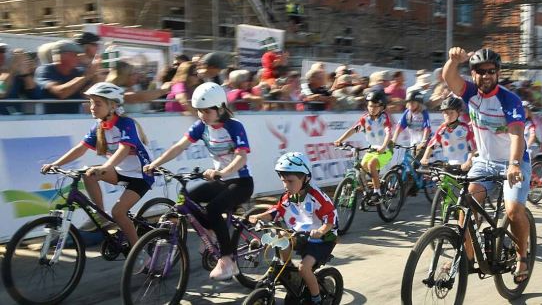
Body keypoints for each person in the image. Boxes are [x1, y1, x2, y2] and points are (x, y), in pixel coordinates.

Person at [144, 82, 254, 280]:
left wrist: (223, 172)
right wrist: (155, 164)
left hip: (241, 181)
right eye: (198, 111)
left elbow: (241, 157)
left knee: (213, 208)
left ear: (220, 108)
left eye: (205, 111)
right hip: (220, 180)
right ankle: (211, 232)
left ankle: (228, 261)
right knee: (186, 197)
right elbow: (178, 147)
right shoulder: (201, 127)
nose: (201, 116)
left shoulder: (234, 126)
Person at [443, 47, 531, 283]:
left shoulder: (508, 99)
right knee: (467, 203)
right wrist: (454, 61)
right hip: (485, 161)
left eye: (491, 71)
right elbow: (449, 79)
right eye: (480, 71)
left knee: (513, 211)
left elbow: (516, 134)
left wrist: (513, 165)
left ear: (498, 72)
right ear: (473, 74)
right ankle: (467, 255)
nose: (486, 75)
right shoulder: (470, 93)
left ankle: (523, 255)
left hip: (513, 161)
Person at [40, 82, 154, 246]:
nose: (92, 107)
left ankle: (138, 250)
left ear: (113, 105)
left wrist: (106, 167)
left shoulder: (126, 123)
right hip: (121, 171)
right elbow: (80, 148)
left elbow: (124, 149)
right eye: (91, 102)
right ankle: (100, 214)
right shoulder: (99, 127)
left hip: (141, 175)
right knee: (88, 173)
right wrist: (55, 164)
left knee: (118, 213)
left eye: (97, 103)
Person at [248, 152, 337, 305]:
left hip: (322, 240)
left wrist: (321, 231)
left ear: (305, 178)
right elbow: (277, 211)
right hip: (301, 234)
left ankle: (316, 299)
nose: (286, 185)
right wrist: (260, 216)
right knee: (281, 236)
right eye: (283, 181)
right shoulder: (288, 196)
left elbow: (331, 218)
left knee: (304, 268)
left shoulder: (317, 197)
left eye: (290, 181)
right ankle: (288, 269)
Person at [334, 90, 393, 203]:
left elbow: (388, 134)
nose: (372, 108)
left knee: (371, 165)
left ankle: (377, 192)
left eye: (376, 106)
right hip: (372, 149)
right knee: (361, 169)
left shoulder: (384, 118)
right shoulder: (365, 119)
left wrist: (384, 146)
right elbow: (353, 130)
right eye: (370, 106)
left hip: (386, 149)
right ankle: (367, 190)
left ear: (382, 107)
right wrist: (340, 140)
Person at [35, 40, 103, 114]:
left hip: (74, 118)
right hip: (49, 119)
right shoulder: (45, 70)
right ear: (60, 56)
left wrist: (96, 76)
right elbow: (62, 93)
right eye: (74, 55)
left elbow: (88, 94)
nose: (78, 58)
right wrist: (87, 75)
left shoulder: (79, 71)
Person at [420, 95, 475, 171]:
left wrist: (468, 161)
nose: (448, 115)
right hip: (448, 165)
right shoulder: (442, 130)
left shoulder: (465, 129)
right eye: (446, 113)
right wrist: (425, 157)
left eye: (451, 112)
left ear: (458, 113)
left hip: (464, 165)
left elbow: (473, 148)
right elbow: (432, 145)